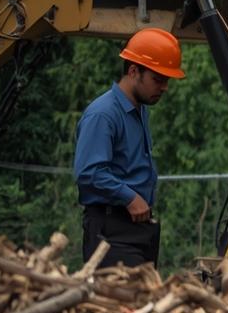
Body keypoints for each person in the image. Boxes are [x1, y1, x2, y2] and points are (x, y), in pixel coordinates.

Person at [73, 28, 185, 268]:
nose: (164, 87)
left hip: (137, 229)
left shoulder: (139, 110)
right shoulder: (103, 115)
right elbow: (89, 173)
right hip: (111, 231)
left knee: (145, 301)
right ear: (134, 71)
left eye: (166, 80)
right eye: (158, 79)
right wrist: (130, 197)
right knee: (123, 302)